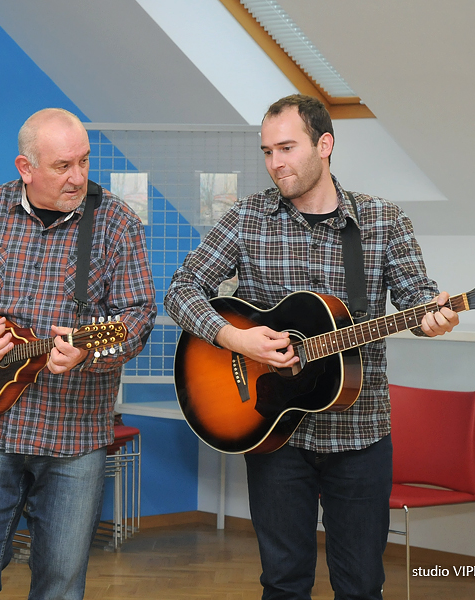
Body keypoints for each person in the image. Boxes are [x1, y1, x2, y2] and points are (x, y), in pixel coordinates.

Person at [164, 94, 459, 600]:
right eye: (267, 151)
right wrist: (236, 337)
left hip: (360, 433)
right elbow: (181, 288)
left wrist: (433, 318)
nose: (275, 163)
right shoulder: (247, 218)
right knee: (283, 583)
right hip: (272, 430)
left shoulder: (383, 219)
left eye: (286, 148)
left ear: (324, 145)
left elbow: (417, 298)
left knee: (362, 585)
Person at [0, 107, 156, 600]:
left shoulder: (116, 223)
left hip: (74, 433)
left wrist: (89, 354)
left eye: (84, 161)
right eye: (63, 166)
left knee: (60, 585)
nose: (78, 177)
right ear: (26, 168)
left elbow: (138, 317)